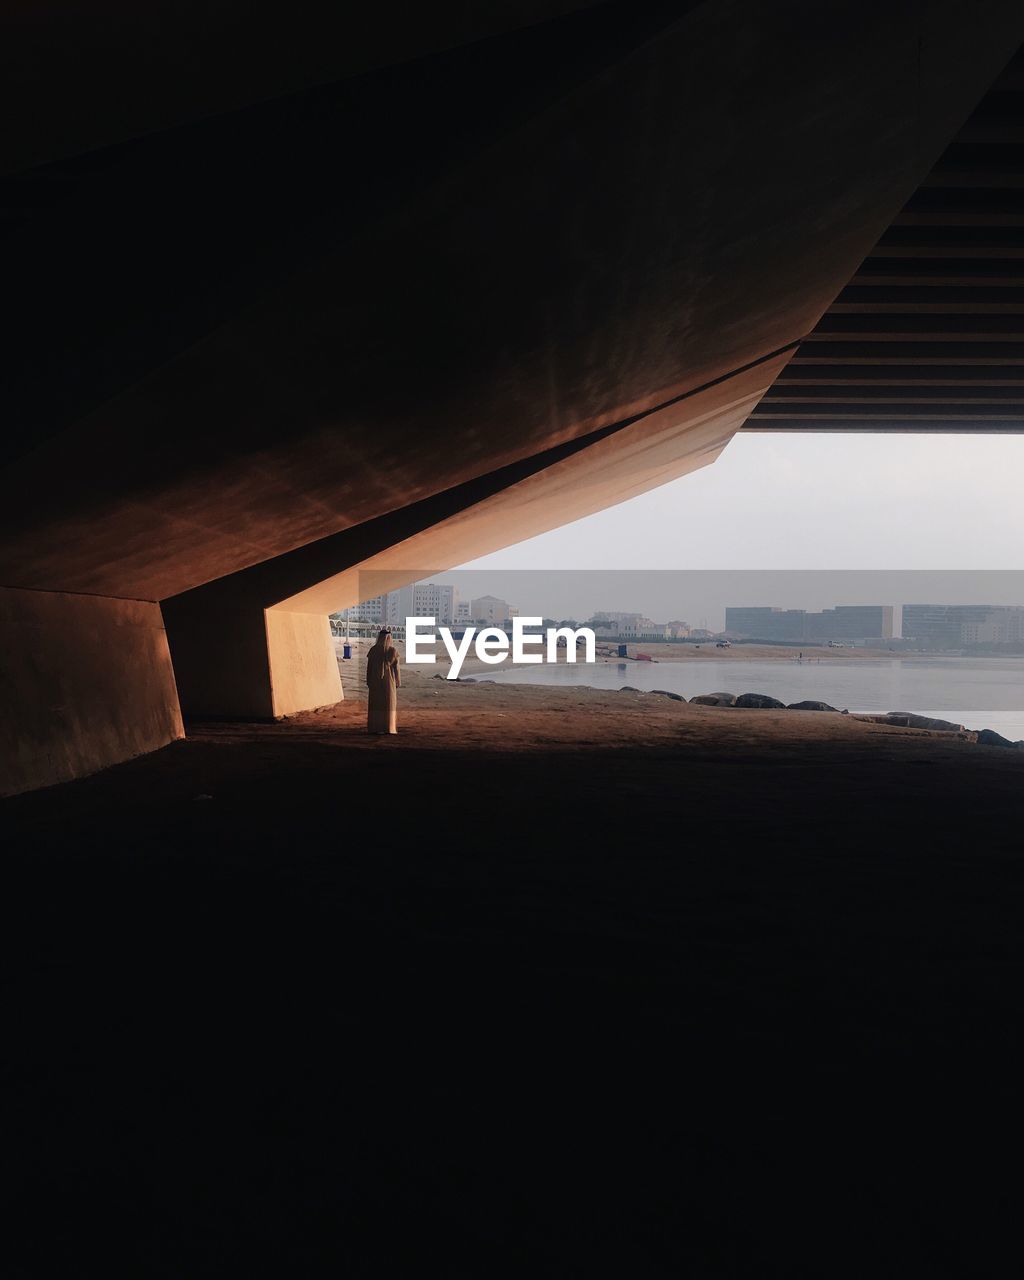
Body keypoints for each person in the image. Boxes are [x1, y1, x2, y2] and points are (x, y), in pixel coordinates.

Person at [366, 627, 400, 735]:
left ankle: (375, 727)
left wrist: (368, 681)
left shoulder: (373, 650)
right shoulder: (393, 651)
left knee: (376, 704)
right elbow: (396, 670)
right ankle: (388, 728)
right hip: (388, 683)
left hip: (375, 682)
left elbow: (369, 668)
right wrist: (398, 682)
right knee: (388, 705)